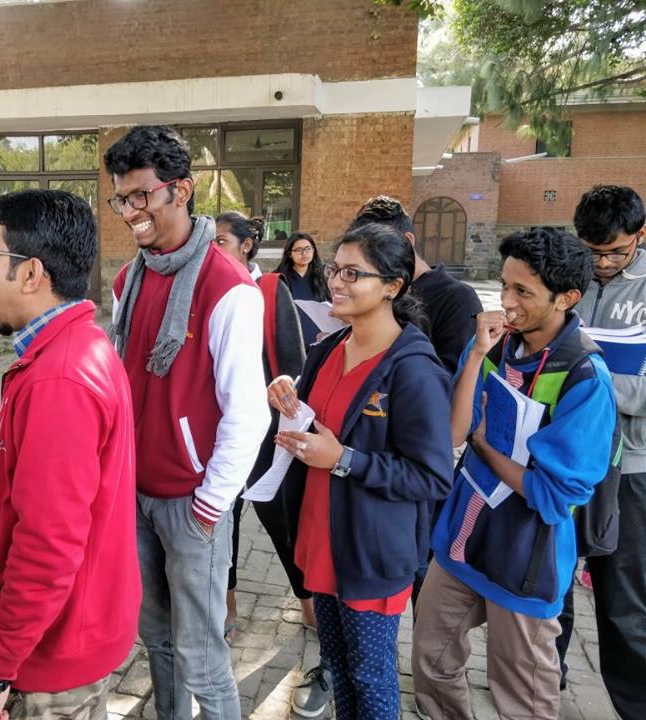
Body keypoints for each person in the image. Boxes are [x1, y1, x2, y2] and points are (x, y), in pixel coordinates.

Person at [0, 190, 140, 720]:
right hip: (63, 635)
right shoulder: (74, 349)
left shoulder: (60, 378)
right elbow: (63, 484)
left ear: (30, 273)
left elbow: (47, 546)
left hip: (50, 653)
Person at [412, 227, 617, 720]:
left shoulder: (585, 377)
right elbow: (454, 433)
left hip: (525, 557)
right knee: (431, 659)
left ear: (566, 298)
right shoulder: (497, 343)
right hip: (461, 540)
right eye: (504, 286)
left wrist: (486, 445)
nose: (505, 301)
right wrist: (478, 354)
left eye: (522, 291)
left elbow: (552, 496)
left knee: (522, 693)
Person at [105, 126, 269, 720]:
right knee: (157, 638)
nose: (131, 212)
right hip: (136, 493)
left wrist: (210, 505)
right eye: (121, 199)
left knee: (202, 652)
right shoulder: (130, 279)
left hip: (193, 502)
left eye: (142, 196)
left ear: (183, 190)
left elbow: (247, 411)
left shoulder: (229, 287)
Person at [265, 223, 454, 720]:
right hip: (320, 539)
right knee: (336, 662)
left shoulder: (412, 369)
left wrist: (345, 459)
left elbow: (433, 477)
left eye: (354, 273)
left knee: (371, 677)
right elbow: (312, 417)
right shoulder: (329, 347)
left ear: (393, 285)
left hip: (371, 556)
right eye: (334, 269)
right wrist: (285, 393)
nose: (336, 282)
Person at [347, 196, 483, 613]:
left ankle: (417, 666)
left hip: (416, 460)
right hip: (363, 456)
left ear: (407, 242)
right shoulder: (369, 295)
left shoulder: (455, 299)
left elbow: (446, 389)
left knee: (414, 575)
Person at [212, 211, 313, 638]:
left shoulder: (271, 290)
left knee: (283, 522)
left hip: (269, 432)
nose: (213, 250)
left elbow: (294, 360)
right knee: (224, 523)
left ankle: (309, 607)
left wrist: (284, 380)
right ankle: (227, 607)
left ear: (246, 245)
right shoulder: (207, 292)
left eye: (221, 241)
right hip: (221, 430)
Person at [571, 185, 645, 720]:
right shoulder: (569, 275)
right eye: (592, 251)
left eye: (615, 253)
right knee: (549, 586)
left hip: (631, 468)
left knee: (624, 605)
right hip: (565, 456)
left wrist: (592, 382)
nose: (600, 264)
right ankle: (539, 688)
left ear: (640, 236)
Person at [347, 196, 481, 374]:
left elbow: (451, 378)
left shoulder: (458, 298)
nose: (370, 262)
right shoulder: (377, 290)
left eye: (377, 250)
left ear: (408, 242)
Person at [274, 232, 330, 348]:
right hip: (290, 343)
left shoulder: (325, 277)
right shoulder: (279, 278)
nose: (304, 253)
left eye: (308, 249)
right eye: (298, 250)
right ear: (290, 254)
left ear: (314, 251)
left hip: (321, 341)